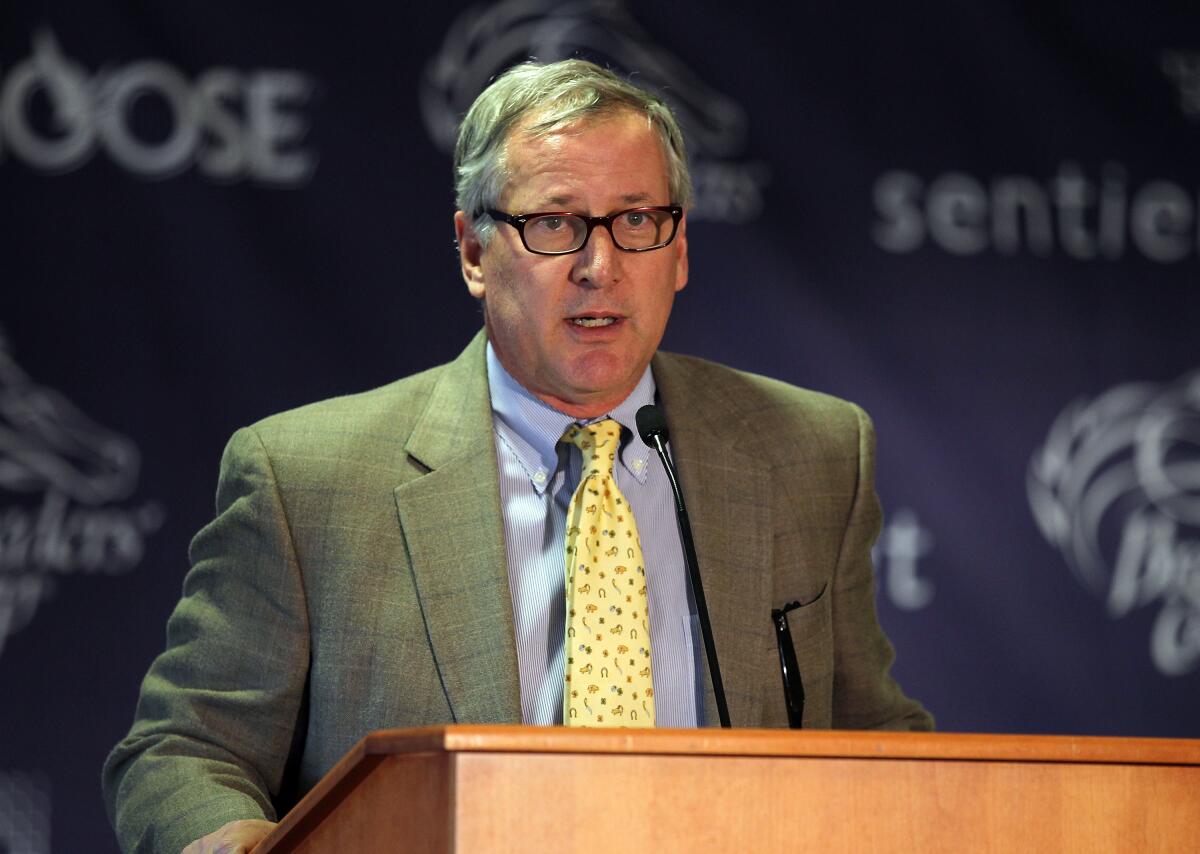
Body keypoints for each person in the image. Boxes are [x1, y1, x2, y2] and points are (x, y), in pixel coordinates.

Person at [103, 58, 932, 854]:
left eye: (637, 221)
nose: (599, 267)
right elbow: (185, 750)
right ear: (473, 251)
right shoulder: (306, 480)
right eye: (554, 224)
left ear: (679, 252)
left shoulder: (810, 453)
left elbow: (874, 740)